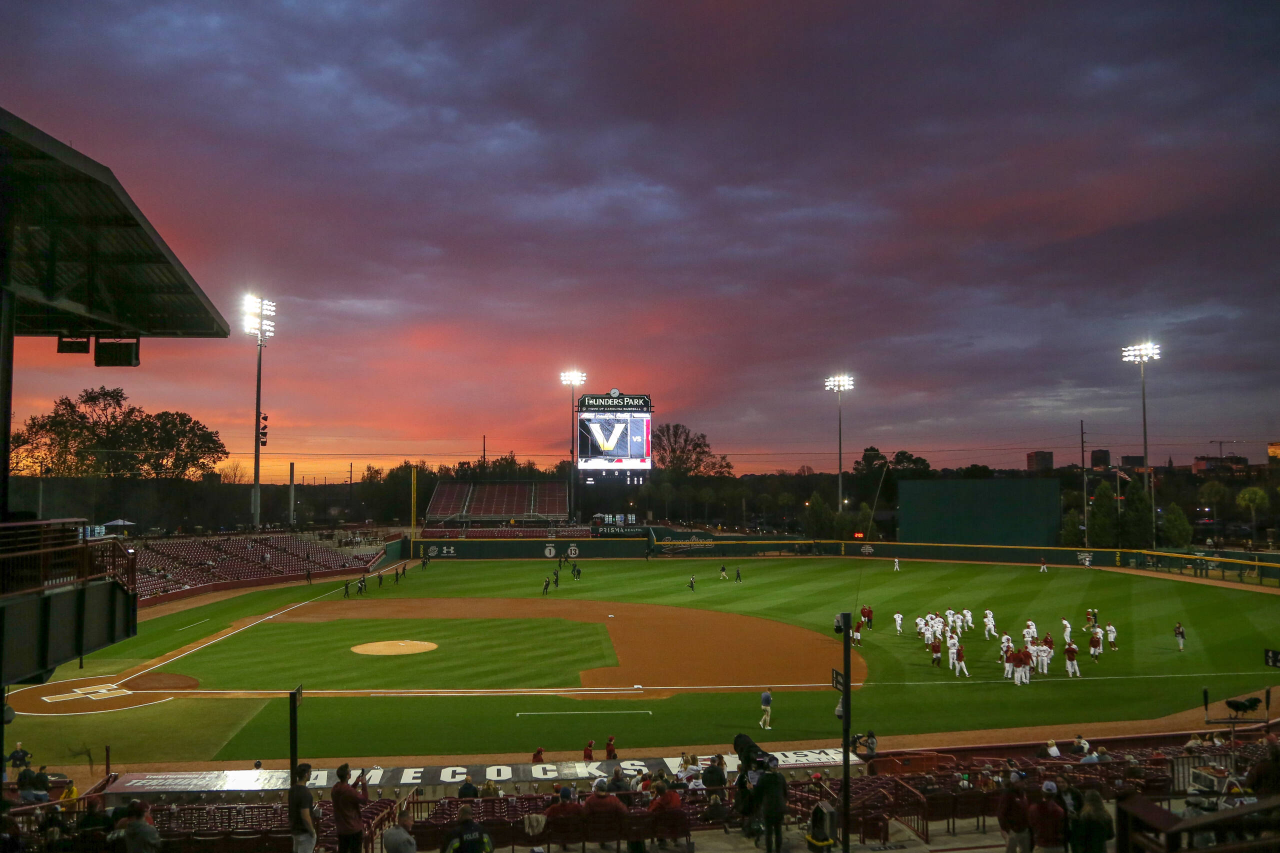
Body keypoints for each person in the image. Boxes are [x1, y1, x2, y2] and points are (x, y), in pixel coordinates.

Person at [750, 756, 788, 853]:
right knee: (778, 831)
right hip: (780, 807)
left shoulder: (763, 778)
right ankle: (778, 851)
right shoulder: (781, 777)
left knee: (769, 832)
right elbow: (785, 793)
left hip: (768, 808)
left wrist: (751, 789)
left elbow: (757, 794)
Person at [331, 763, 370, 853]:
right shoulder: (349, 791)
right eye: (349, 772)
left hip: (341, 829)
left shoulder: (335, 788)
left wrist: (355, 784)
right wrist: (364, 784)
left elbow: (346, 793)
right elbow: (364, 800)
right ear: (348, 776)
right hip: (353, 829)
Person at [996, 780, 1031, 853]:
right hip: (1012, 829)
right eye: (1021, 781)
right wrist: (1006, 829)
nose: (1024, 783)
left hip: (1024, 828)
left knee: (1026, 850)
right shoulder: (1007, 794)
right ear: (1015, 782)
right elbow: (1001, 813)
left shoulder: (1022, 793)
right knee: (1011, 851)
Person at [1028, 783, 1065, 852]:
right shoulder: (1060, 810)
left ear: (1042, 792)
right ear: (1055, 793)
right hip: (1057, 846)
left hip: (1041, 845)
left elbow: (1031, 825)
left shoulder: (1033, 808)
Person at [290, 763, 318, 853]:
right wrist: (312, 832)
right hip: (304, 833)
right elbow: (305, 816)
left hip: (295, 831)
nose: (311, 774)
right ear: (306, 774)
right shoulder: (305, 793)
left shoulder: (292, 789)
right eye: (310, 772)